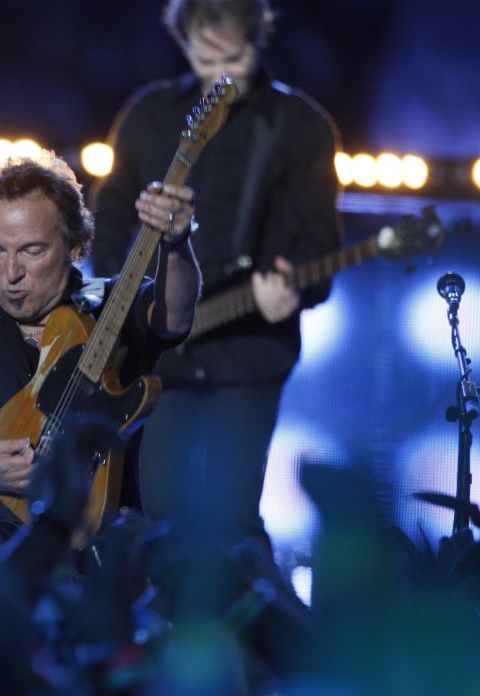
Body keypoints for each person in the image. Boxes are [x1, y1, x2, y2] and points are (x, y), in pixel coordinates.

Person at [92, 0, 342, 552]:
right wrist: (120, 308)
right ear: (183, 40)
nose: (222, 73)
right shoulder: (149, 114)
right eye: (208, 56)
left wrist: (295, 289)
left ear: (259, 38)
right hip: (160, 359)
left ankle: (245, 631)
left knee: (232, 517)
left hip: (248, 352)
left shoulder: (299, 124)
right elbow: (107, 222)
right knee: (157, 514)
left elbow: (322, 249)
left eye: (237, 56)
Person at [0, 152, 201, 538]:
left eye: (32, 251)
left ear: (75, 245)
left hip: (95, 551)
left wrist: (176, 243)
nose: (11, 273)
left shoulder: (113, 305)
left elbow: (175, 315)